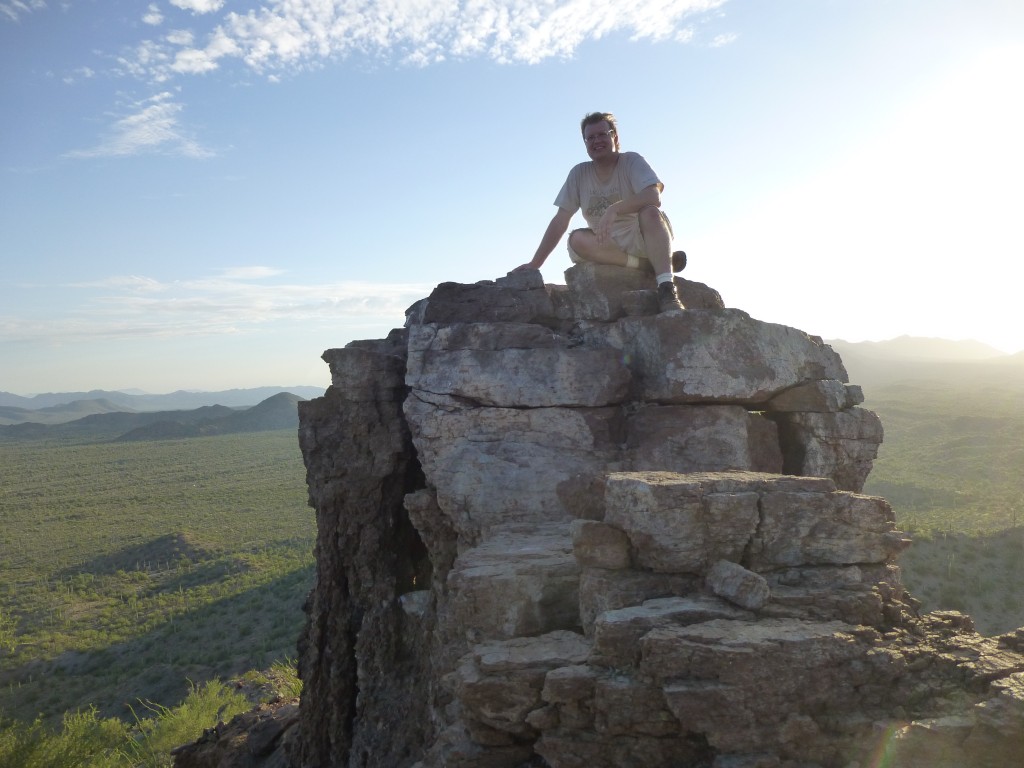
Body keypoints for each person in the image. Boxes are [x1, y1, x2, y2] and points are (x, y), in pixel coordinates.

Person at [515, 111, 686, 313]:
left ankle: (666, 288)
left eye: (602, 134)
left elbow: (653, 196)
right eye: (591, 137)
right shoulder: (579, 173)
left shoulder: (631, 160)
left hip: (639, 235)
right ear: (585, 142)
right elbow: (561, 219)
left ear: (614, 136)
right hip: (605, 244)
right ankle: (644, 265)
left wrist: (615, 209)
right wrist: (535, 263)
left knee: (650, 213)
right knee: (576, 240)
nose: (597, 141)